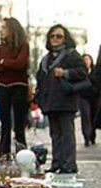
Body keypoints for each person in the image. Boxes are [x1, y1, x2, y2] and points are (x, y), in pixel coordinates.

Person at [35, 24, 86, 174]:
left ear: (65, 38)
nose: (55, 39)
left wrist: (65, 73)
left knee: (67, 134)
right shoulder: (45, 59)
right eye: (52, 36)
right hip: (50, 102)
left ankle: (69, 164)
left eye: (59, 36)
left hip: (65, 101)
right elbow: (40, 79)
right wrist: (39, 95)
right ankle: (56, 163)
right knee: (55, 134)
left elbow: (83, 72)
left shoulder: (71, 54)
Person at [0, 17, 29, 156]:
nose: (1, 30)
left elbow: (20, 64)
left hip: (19, 86)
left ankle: (22, 154)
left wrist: (4, 62)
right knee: (5, 123)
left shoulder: (23, 45)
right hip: (3, 87)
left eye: (4, 27)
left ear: (12, 29)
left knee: (19, 124)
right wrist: (7, 63)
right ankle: (4, 154)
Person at [78, 54, 99, 147]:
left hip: (95, 97)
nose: (86, 61)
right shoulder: (80, 72)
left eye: (88, 59)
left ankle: (92, 136)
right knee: (85, 116)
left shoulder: (96, 72)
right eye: (85, 59)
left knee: (93, 116)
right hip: (83, 97)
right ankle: (86, 136)